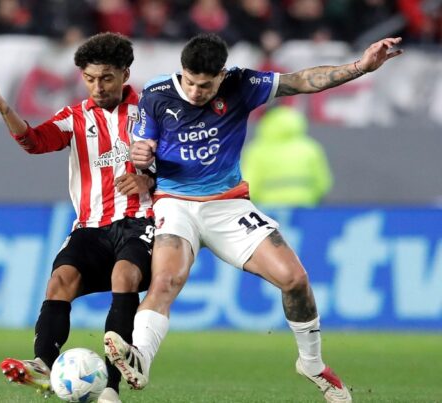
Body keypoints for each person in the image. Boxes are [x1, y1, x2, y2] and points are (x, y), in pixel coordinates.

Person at [103, 33, 402, 403]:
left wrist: (361, 66)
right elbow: (140, 155)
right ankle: (140, 359)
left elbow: (301, 81)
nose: (196, 92)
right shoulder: (157, 94)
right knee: (165, 280)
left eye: (206, 85)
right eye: (191, 82)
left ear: (222, 75)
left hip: (228, 205)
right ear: (181, 72)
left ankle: (311, 363)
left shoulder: (243, 84)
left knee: (295, 279)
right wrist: (141, 155)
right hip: (174, 202)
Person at [0, 32, 155, 403]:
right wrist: (2, 106)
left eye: (105, 77)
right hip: (90, 225)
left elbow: (179, 162)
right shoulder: (75, 117)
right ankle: (43, 363)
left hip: (141, 220)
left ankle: (109, 389)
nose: (97, 87)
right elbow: (35, 142)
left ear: (124, 73)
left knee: (125, 276)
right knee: (60, 280)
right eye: (89, 79)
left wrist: (147, 178)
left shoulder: (151, 113)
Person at [241, 106, 333, 206]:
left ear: (266, 123)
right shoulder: (311, 148)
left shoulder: (256, 150)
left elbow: (250, 186)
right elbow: (323, 183)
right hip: (305, 207)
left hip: (270, 209)